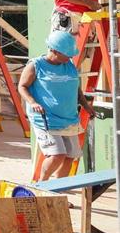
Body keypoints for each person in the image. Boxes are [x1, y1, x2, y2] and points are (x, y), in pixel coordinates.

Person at [18, 31, 93, 180]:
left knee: (70, 156)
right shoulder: (36, 65)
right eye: (67, 54)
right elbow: (22, 86)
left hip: (68, 119)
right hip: (46, 119)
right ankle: (44, 186)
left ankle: (59, 191)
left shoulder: (69, 65)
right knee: (57, 155)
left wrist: (85, 105)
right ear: (54, 50)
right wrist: (33, 103)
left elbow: (76, 88)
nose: (70, 57)